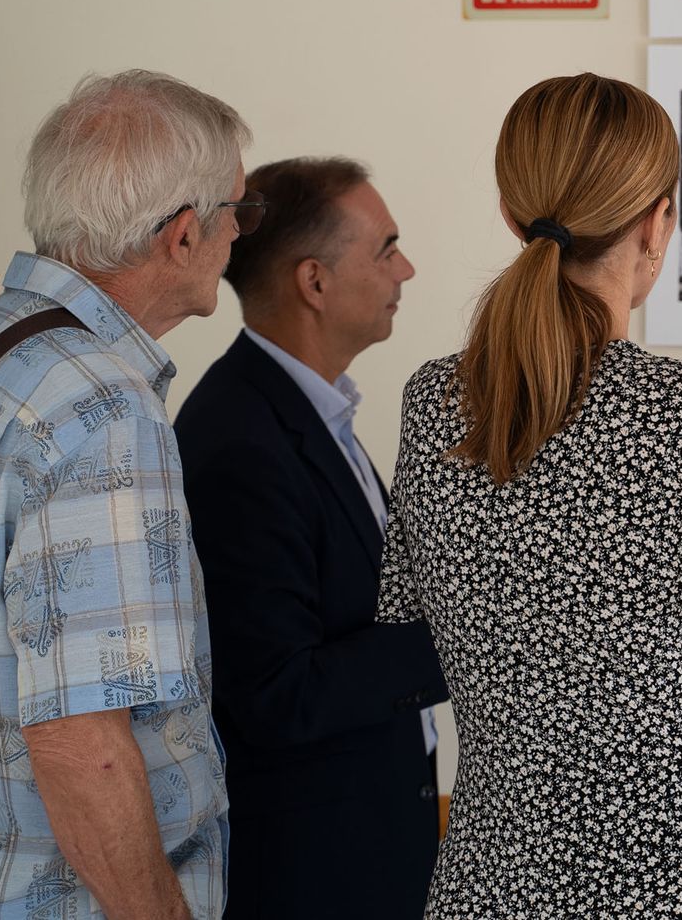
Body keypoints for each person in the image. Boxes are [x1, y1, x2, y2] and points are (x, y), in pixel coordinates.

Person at [377, 73, 682, 917]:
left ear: (512, 216)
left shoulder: (434, 403)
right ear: (659, 223)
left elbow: (432, 628)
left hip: (499, 876)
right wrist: (680, 658)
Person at [0, 70, 252, 918]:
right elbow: (82, 741)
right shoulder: (101, 408)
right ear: (182, 234)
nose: (239, 232)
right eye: (236, 210)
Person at [173, 158, 447, 919]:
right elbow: (275, 694)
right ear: (314, 282)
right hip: (314, 875)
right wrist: (472, 634)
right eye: (386, 249)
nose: (406, 269)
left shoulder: (310, 415)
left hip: (370, 846)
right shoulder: (241, 442)